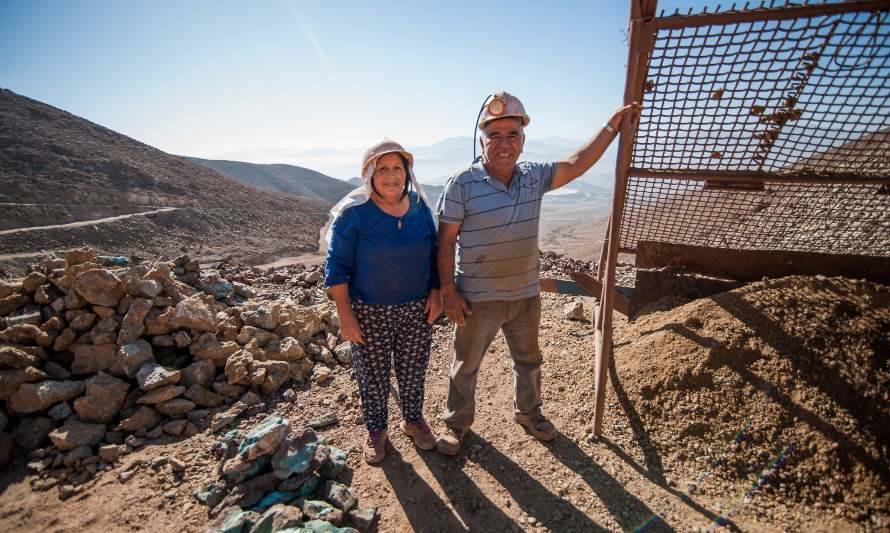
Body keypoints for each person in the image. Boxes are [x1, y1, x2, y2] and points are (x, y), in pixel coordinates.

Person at [435, 91, 640, 455]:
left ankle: (529, 413)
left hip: (525, 293)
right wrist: (448, 291)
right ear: (482, 139)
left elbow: (577, 163)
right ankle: (456, 424)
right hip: (476, 297)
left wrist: (612, 127)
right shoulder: (461, 185)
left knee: (529, 360)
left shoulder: (534, 176)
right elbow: (446, 241)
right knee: (465, 366)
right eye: (494, 135)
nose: (504, 143)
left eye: (512, 135)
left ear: (523, 140)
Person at [325, 139, 442, 464]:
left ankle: (413, 419)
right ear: (369, 175)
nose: (391, 176)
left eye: (398, 168)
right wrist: (345, 316)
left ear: (407, 173)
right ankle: (377, 430)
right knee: (373, 375)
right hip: (368, 311)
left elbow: (435, 255)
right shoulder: (355, 215)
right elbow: (337, 269)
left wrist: (435, 292)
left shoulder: (420, 207)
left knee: (413, 369)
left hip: (416, 309)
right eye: (383, 169)